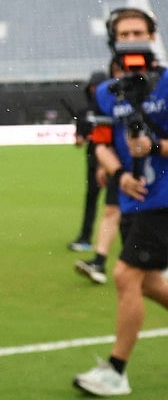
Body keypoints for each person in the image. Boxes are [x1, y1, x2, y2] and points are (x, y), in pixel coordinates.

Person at [74, 7, 168, 397]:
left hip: (164, 200)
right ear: (114, 41)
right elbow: (100, 146)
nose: (132, 40)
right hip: (133, 201)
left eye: (139, 32)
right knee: (146, 283)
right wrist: (118, 174)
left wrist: (156, 146)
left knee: (126, 275)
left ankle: (116, 371)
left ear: (153, 36)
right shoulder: (105, 93)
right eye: (125, 34)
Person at [72, 59, 122, 284]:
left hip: (146, 166)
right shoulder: (102, 106)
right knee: (109, 210)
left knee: (135, 216)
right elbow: (101, 140)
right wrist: (105, 165)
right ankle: (99, 260)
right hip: (110, 163)